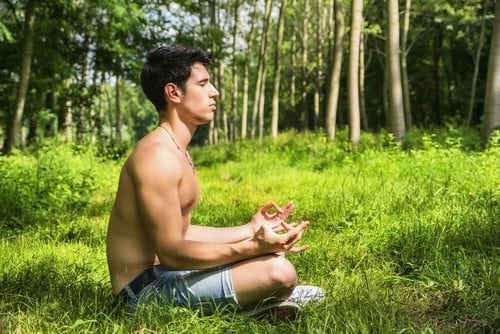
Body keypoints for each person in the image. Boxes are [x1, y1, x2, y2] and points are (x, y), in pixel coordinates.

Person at [106, 44, 324, 319]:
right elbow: (172, 252)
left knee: (275, 261)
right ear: (174, 93)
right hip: (143, 293)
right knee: (279, 272)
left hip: (166, 273)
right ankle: (250, 308)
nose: (214, 92)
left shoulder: (175, 149)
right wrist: (251, 248)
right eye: (203, 83)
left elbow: (182, 232)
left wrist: (250, 229)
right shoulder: (156, 157)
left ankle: (258, 304)